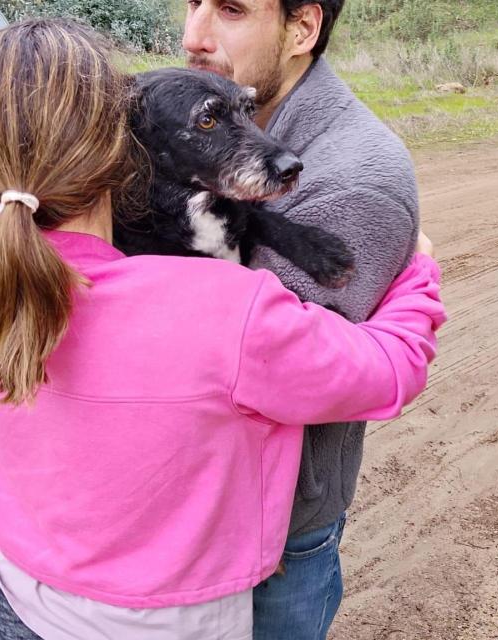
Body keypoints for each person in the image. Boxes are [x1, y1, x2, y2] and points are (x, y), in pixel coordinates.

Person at [0, 18, 445, 640]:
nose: (194, 33)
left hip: (21, 600)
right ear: (126, 146)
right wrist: (418, 271)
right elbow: (387, 373)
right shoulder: (224, 307)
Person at [183, 2, 420, 636]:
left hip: (272, 535)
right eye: (191, 4)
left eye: (230, 10)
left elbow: (274, 371)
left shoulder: (355, 177)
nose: (194, 37)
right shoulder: (203, 119)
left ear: (302, 29)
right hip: (180, 521)